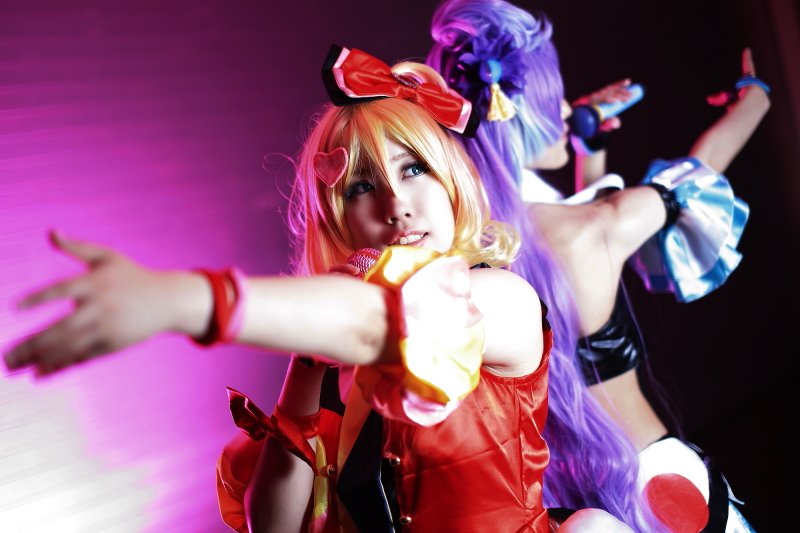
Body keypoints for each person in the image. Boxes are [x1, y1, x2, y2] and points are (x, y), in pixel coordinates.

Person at [4, 45, 634, 533]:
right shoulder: (333, 364)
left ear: (451, 183)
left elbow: (392, 317)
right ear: (338, 220)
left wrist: (182, 300)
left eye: (414, 169)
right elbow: (274, 526)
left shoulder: (501, 300)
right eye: (361, 186)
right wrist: (306, 370)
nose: (395, 204)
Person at [427, 1, 769, 532]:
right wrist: (754, 98)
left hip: (566, 504)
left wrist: (589, 146)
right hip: (664, 485)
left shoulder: (457, 255)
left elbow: (560, 273)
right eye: (555, 101)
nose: (567, 109)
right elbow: (697, 175)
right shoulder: (595, 228)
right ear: (523, 115)